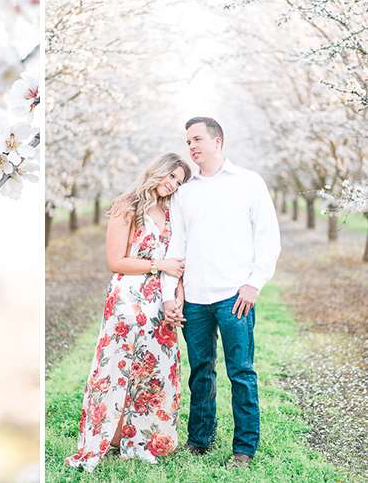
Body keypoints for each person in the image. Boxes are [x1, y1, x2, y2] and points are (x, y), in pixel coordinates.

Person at [161, 117, 281, 469]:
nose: (192, 146)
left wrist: (254, 283)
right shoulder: (184, 190)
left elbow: (268, 237)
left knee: (241, 372)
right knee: (201, 370)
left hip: (235, 296)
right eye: (188, 141)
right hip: (195, 299)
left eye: (197, 139)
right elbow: (176, 243)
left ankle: (243, 449)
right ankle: (200, 440)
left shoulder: (248, 183)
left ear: (218, 140)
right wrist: (171, 293)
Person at [65, 152, 191, 472]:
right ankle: (107, 436)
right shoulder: (127, 206)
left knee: (154, 369)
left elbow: (177, 261)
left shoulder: (172, 212)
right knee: (118, 367)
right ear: (157, 171)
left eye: (179, 181)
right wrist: (156, 265)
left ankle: (139, 439)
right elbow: (116, 262)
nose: (173, 184)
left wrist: (176, 295)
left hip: (159, 301)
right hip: (128, 297)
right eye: (171, 176)